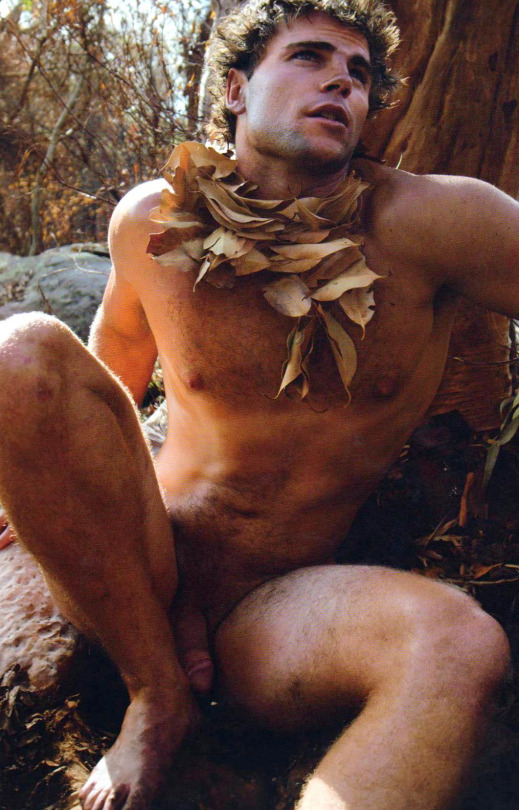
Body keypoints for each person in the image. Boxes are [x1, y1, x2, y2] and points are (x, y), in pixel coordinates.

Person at [0, 0, 516, 807]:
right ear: (235, 88)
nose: (341, 83)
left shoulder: (434, 222)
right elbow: (109, 373)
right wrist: (38, 493)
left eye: (358, 74)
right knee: (18, 346)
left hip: (275, 607)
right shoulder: (152, 220)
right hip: (139, 570)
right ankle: (154, 695)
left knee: (458, 643)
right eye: (309, 57)